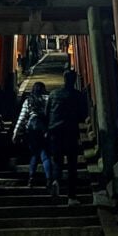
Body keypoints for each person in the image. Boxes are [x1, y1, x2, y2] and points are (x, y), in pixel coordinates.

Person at [45, 69, 88, 205]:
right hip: (70, 131)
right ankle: (71, 196)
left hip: (54, 131)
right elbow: (83, 114)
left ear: (64, 79)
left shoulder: (53, 94)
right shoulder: (77, 95)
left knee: (57, 160)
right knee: (72, 164)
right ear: (74, 80)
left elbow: (47, 113)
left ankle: (56, 180)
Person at [12, 81, 52, 188]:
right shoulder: (48, 99)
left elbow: (22, 118)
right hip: (44, 129)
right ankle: (49, 179)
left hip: (32, 129)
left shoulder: (28, 101)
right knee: (45, 155)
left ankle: (31, 179)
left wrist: (15, 133)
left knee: (34, 154)